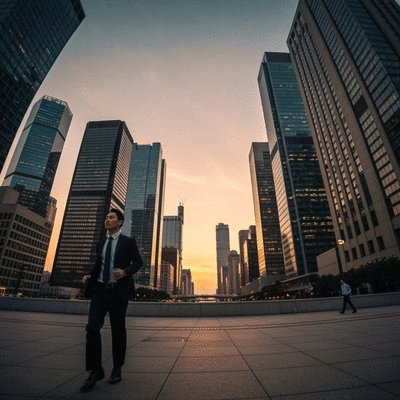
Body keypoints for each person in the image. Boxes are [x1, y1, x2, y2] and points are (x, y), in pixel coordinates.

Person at [80, 209, 143, 393]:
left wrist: (125, 272)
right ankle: (95, 370)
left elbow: (138, 262)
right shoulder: (101, 243)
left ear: (120, 222)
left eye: (111, 217)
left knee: (118, 331)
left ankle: (117, 368)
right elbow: (100, 265)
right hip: (99, 290)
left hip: (118, 292)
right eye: (106, 217)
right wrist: (90, 276)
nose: (107, 220)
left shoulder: (128, 242)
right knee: (92, 328)